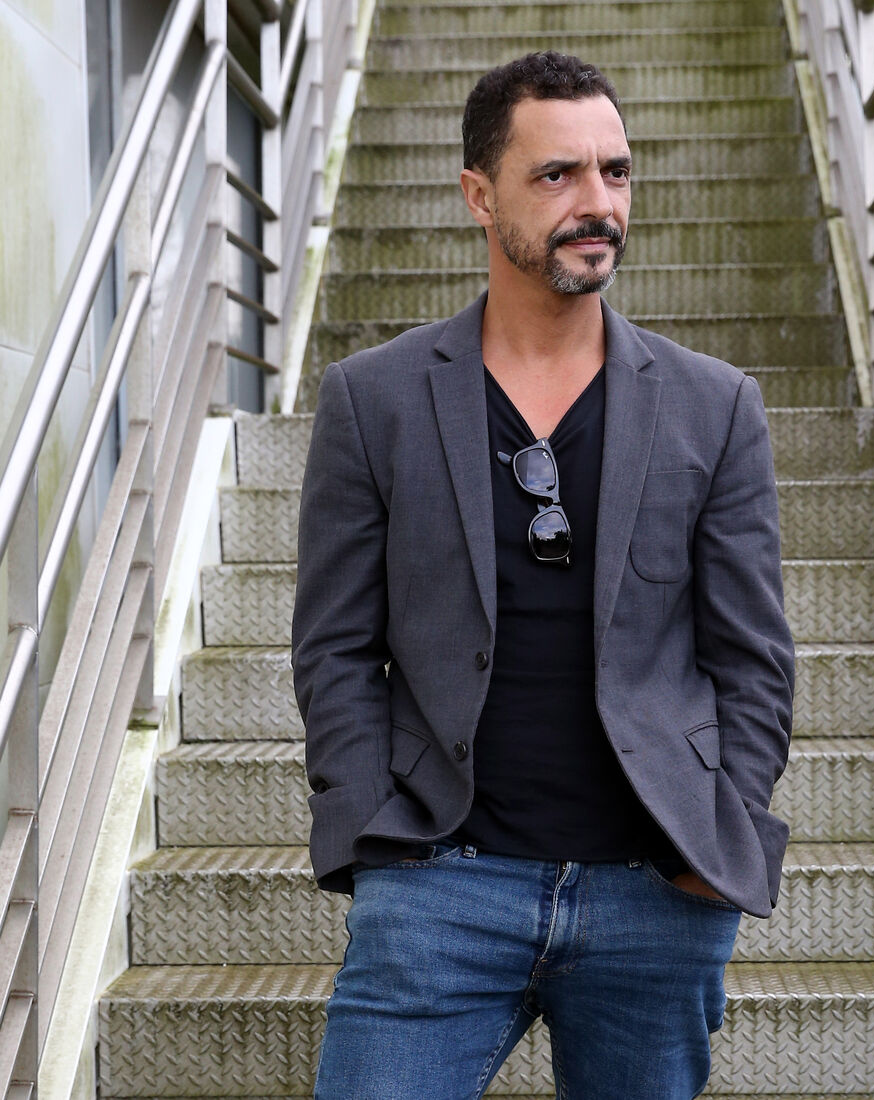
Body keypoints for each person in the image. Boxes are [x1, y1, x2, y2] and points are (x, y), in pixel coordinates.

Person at [292, 50, 795, 1100]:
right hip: (438, 887)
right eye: (556, 174)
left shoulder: (714, 407)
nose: (596, 202)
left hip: (653, 899)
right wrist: (376, 838)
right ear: (479, 195)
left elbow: (753, 658)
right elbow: (334, 646)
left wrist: (716, 838)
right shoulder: (373, 400)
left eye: (615, 171)